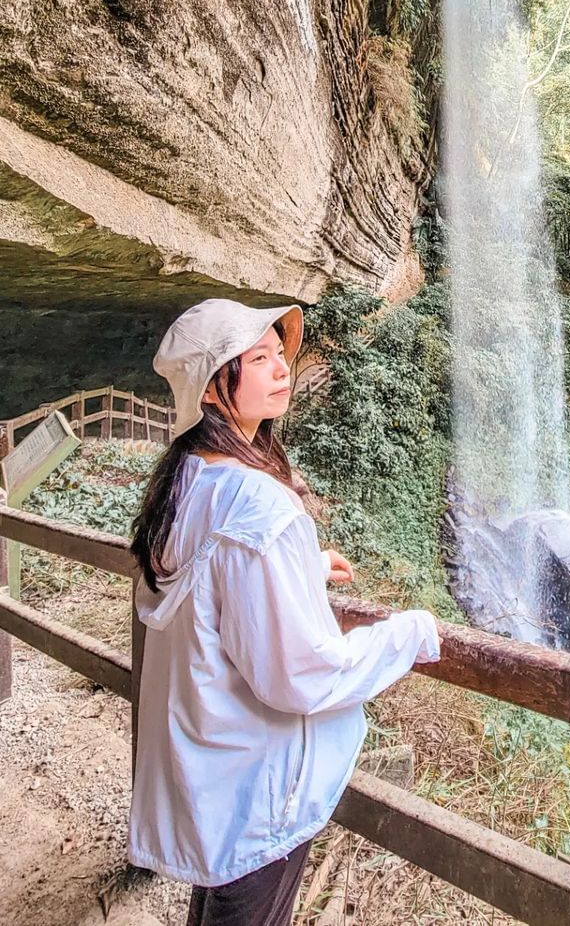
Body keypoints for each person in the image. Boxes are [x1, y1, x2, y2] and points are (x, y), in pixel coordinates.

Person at [127, 298, 441, 924]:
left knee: (217, 901)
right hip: (259, 780)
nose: (282, 369)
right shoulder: (260, 507)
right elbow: (301, 674)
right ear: (215, 390)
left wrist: (303, 566)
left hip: (210, 766)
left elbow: (215, 576)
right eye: (259, 358)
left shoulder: (186, 478)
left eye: (280, 353)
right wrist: (411, 633)